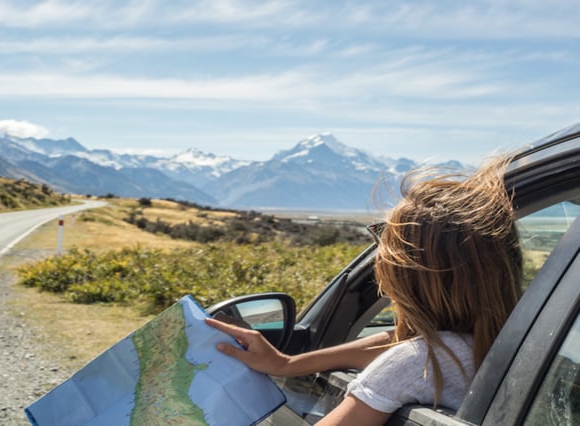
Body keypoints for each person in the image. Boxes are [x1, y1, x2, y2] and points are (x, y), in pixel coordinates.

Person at [206, 155, 523, 425]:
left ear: (405, 273)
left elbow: (409, 354)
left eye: (385, 243)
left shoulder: (419, 363)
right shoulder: (512, 342)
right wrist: (286, 365)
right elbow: (400, 342)